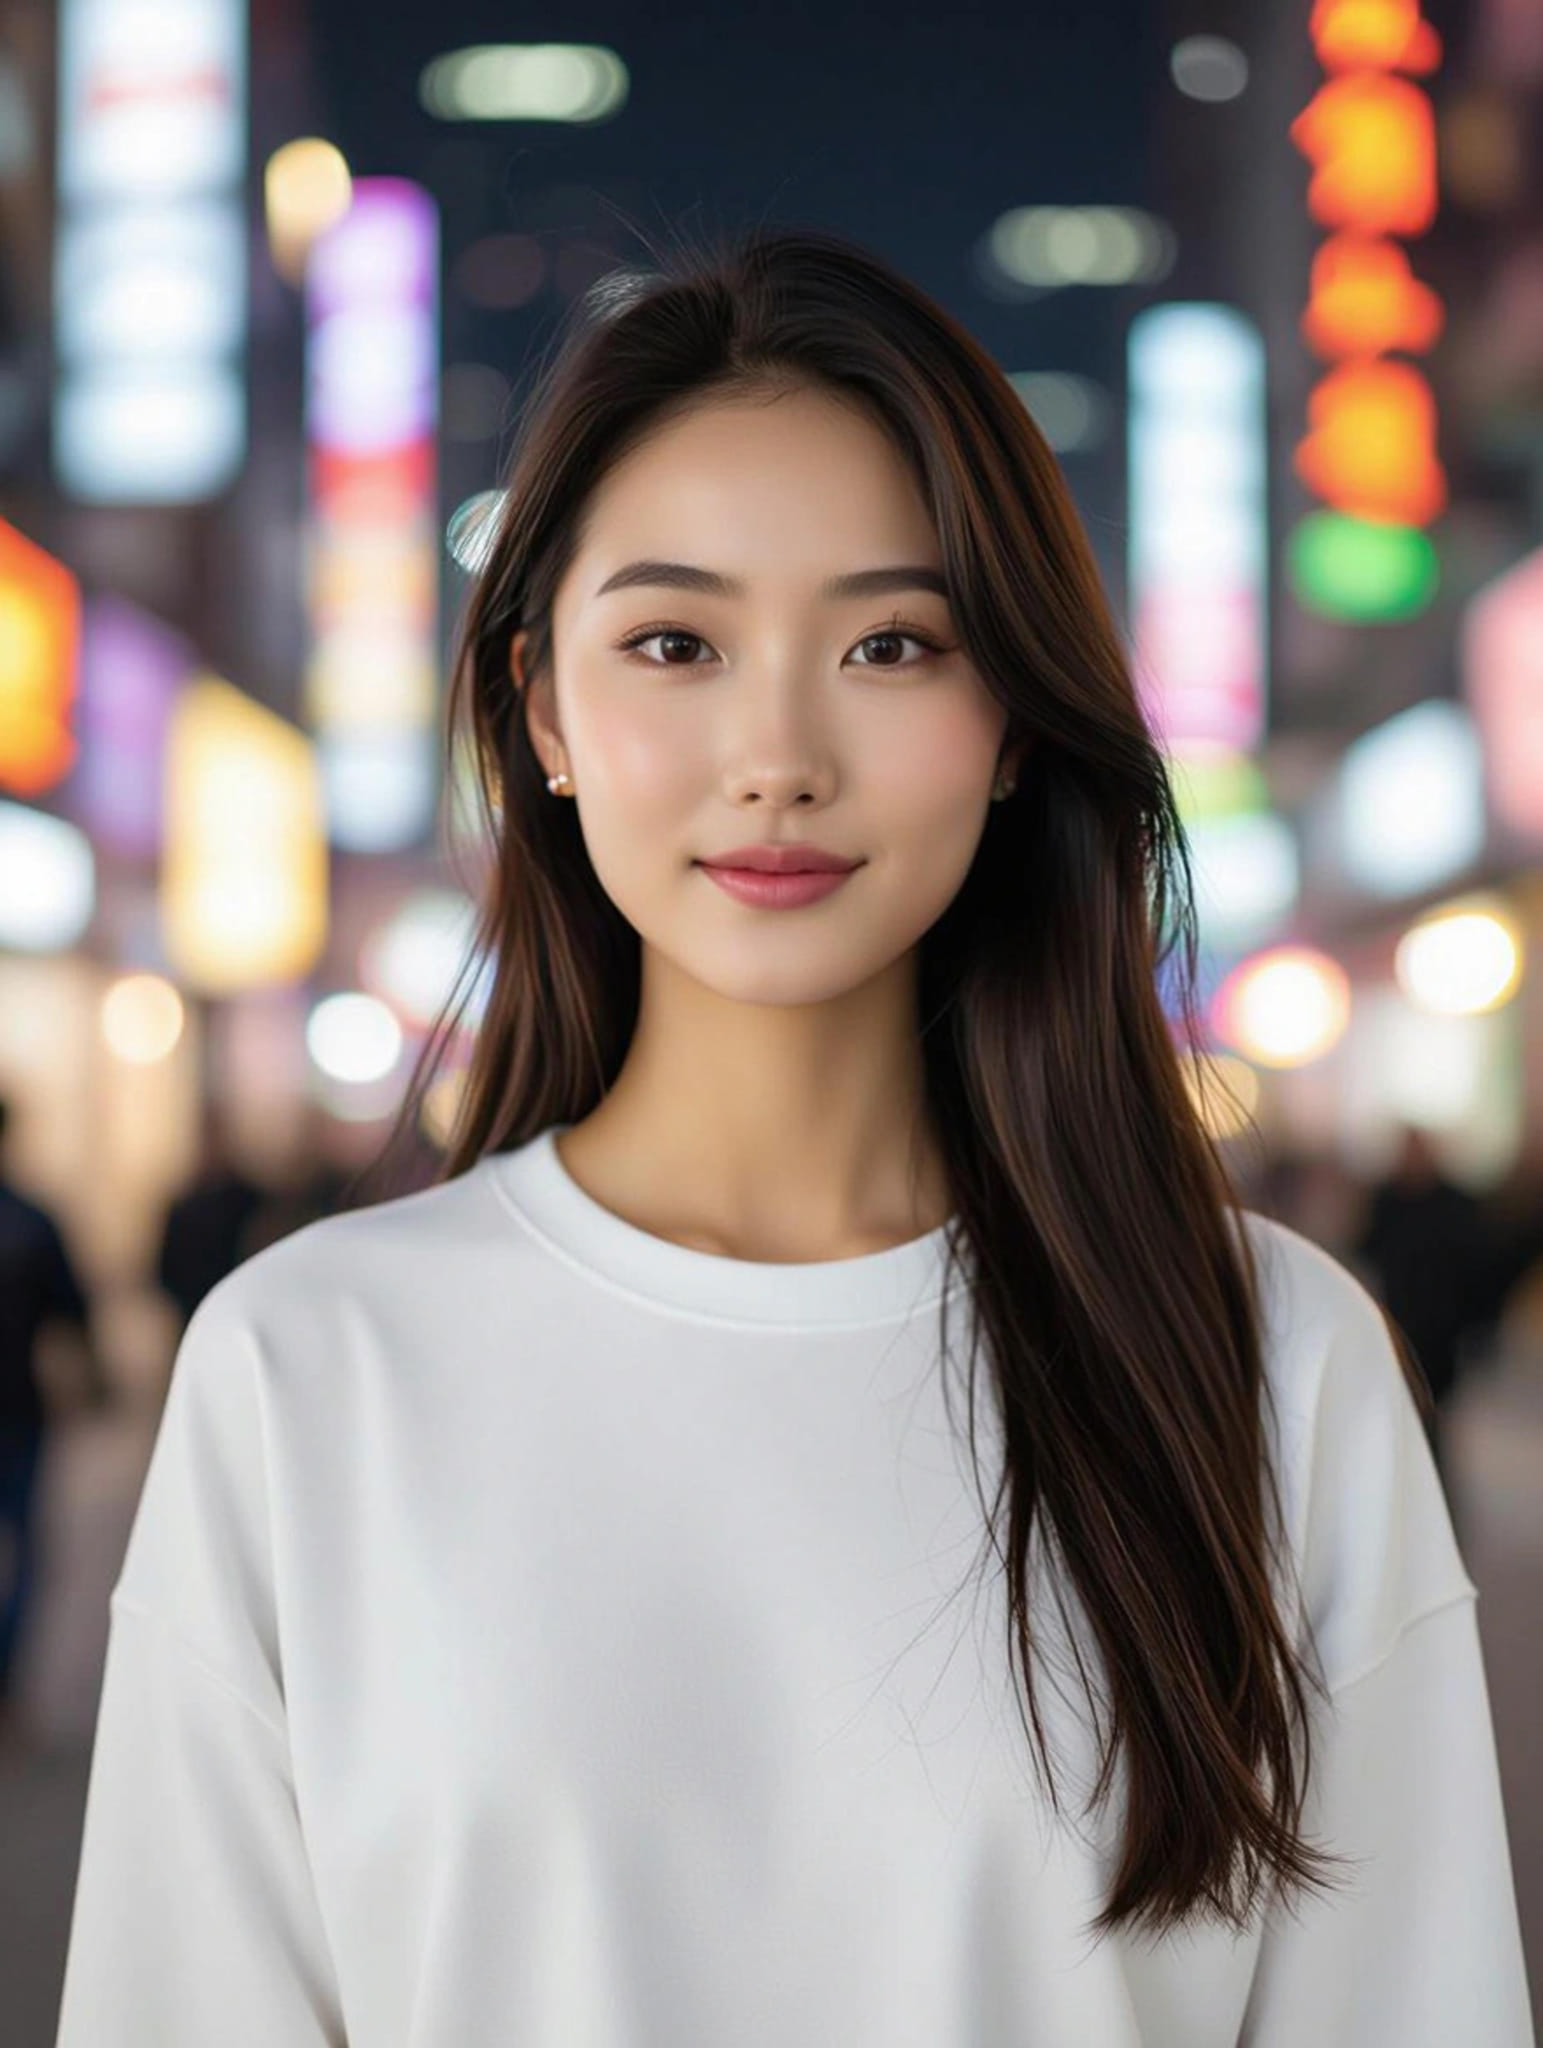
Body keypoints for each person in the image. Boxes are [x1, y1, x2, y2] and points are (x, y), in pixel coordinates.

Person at [55, 228, 1534, 2046]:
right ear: (542, 710)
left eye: (892, 642)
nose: (776, 751)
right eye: (673, 639)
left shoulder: (1263, 1355)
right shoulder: (308, 1365)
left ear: (1006, 722)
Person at [0, 1096, 100, 1749]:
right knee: (29, 1553)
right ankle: (6, 1689)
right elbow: (74, 1313)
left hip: (21, 1413)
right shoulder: (31, 1220)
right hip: (18, 1409)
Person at [1351, 1125, 1494, 1545]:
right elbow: (1366, 1250)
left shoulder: (1454, 1205)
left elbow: (1477, 1271)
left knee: (1434, 1435)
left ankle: (1437, 1525)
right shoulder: (1388, 1199)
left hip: (1439, 1341)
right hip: (1400, 1333)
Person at [152, 1098, 266, 1331]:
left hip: (240, 1316)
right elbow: (164, 1269)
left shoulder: (249, 1200)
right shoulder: (184, 1205)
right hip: (193, 1315)